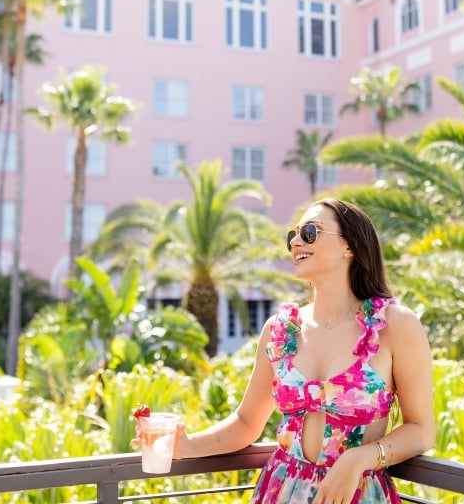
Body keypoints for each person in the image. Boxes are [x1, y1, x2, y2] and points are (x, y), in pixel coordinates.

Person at [168, 197, 435, 503]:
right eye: (292, 235)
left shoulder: (395, 326)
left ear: (350, 246)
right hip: (280, 491)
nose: (296, 241)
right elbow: (245, 423)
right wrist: (185, 445)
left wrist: (360, 458)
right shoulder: (281, 330)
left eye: (310, 232)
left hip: (354, 494)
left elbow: (420, 430)